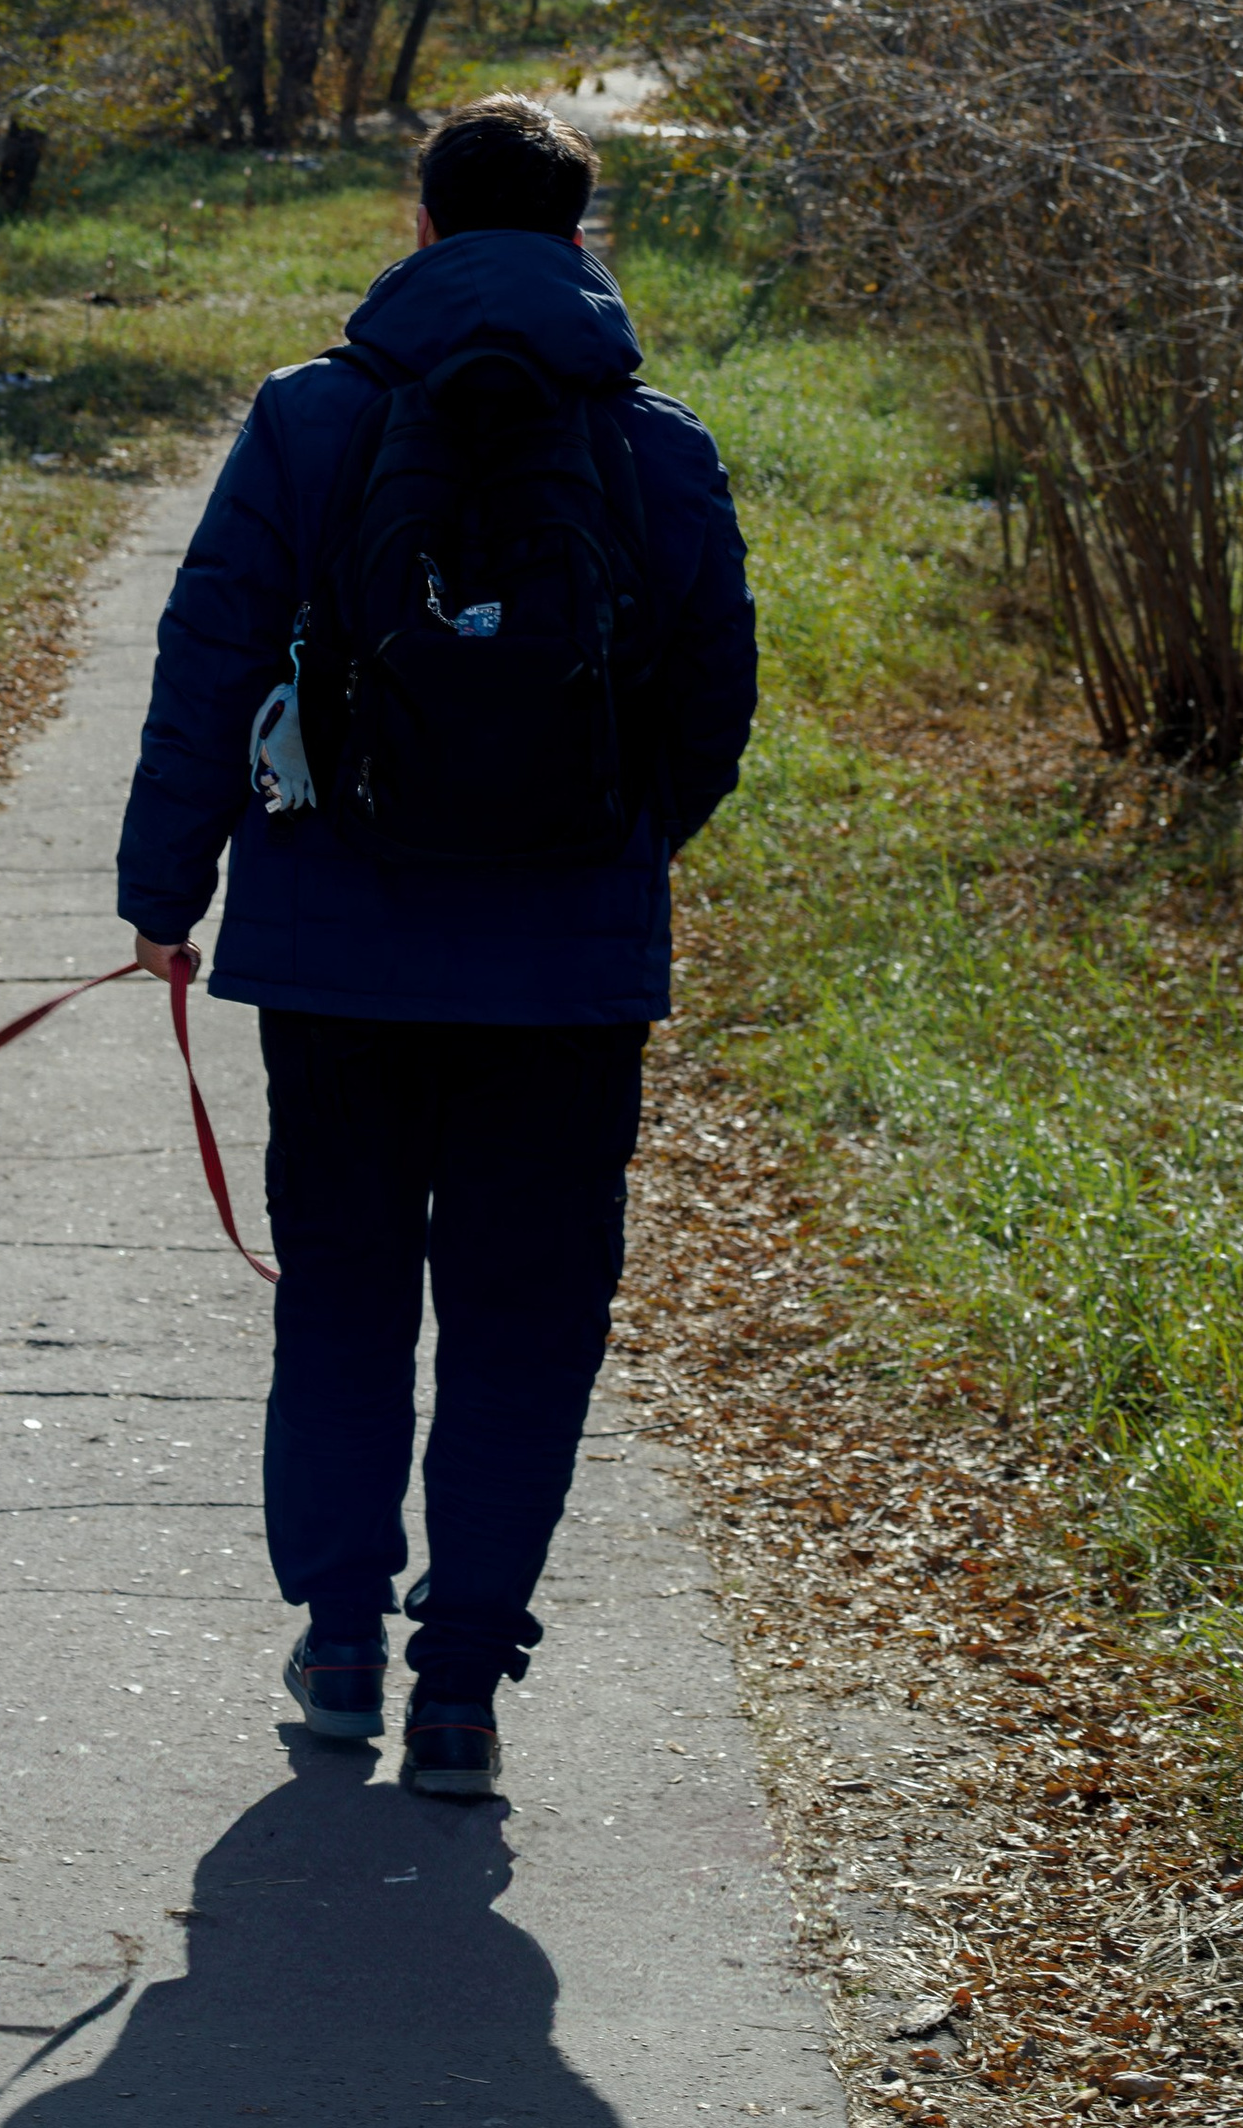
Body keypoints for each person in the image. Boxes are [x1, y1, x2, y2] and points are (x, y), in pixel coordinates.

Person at [115, 93, 757, 1797]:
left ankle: (338, 1645)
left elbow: (207, 657)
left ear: (420, 227)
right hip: (564, 982)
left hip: (334, 961)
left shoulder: (311, 421)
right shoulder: (661, 447)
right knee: (523, 1325)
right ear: (580, 240)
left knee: (340, 1304)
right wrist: (605, 855)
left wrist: (164, 892)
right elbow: (714, 709)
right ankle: (460, 1690)